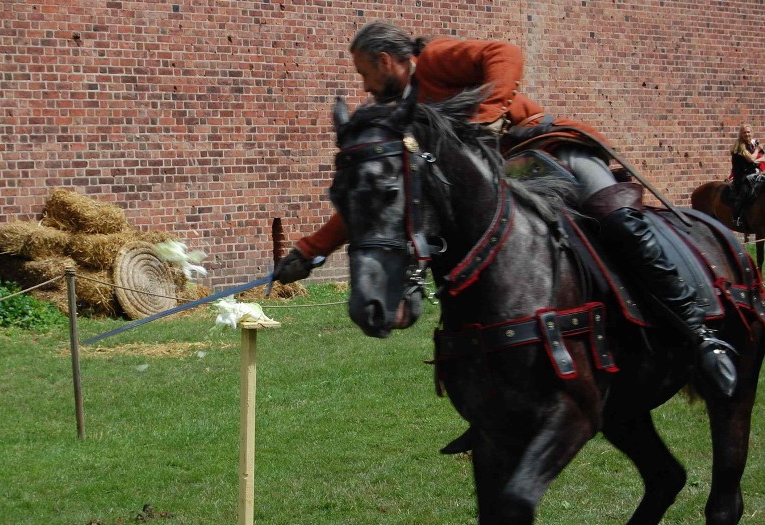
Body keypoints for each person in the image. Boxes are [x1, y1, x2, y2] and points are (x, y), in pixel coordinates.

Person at [274, 20, 737, 397]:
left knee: (617, 217)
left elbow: (505, 53)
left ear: (386, 61)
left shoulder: (434, 59)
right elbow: (386, 199)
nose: (365, 86)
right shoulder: (401, 115)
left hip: (542, 150)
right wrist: (311, 250)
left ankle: (700, 335)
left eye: (364, 74)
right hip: (497, 179)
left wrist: (484, 115)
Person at [730, 123, 765, 227]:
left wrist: (755, 159)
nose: (747, 134)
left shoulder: (753, 144)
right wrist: (757, 151)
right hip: (742, 176)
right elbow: (750, 158)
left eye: (748, 132)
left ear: (751, 132)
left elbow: (763, 158)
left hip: (754, 174)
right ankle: (736, 217)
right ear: (741, 134)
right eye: (744, 132)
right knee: (745, 191)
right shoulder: (740, 146)